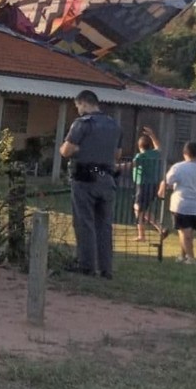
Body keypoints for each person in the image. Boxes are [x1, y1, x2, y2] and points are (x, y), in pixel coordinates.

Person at [59, 89, 121, 278]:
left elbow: (66, 151)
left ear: (84, 103)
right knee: (104, 225)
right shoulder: (114, 125)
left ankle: (86, 265)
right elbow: (117, 155)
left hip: (85, 178)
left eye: (78, 106)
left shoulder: (82, 124)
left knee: (84, 222)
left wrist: (79, 148)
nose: (78, 110)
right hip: (107, 177)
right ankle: (106, 269)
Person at [159, 141, 196, 265]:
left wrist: (161, 191)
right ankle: (182, 256)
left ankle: (191, 258)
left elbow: (167, 182)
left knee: (184, 233)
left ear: (185, 153)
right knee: (188, 232)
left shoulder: (179, 167)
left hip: (181, 204)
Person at [122, 126, 165, 242]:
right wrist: (152, 135)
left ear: (139, 146)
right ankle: (161, 229)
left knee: (138, 209)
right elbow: (159, 147)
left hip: (143, 185)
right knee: (142, 210)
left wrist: (115, 167)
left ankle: (142, 236)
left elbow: (132, 165)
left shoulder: (141, 156)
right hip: (153, 186)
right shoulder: (154, 154)